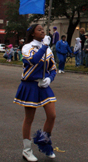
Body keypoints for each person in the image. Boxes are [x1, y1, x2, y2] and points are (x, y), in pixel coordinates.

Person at [13, 24, 57, 161]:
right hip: (30, 85)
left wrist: (49, 79)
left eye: (43, 29)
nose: (42, 31)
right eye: (39, 29)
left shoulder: (48, 49)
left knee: (52, 115)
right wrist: (44, 46)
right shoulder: (27, 47)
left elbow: (53, 68)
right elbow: (33, 61)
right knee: (29, 118)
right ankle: (26, 150)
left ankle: (44, 143)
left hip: (43, 85)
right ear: (32, 33)